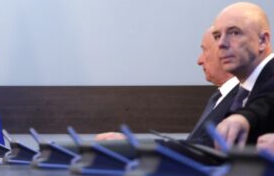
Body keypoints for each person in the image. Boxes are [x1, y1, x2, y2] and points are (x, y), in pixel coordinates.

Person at [95, 27, 239, 146]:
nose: (199, 60)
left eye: (204, 50)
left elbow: (203, 151)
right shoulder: (218, 96)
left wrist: (136, 146)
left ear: (225, 52)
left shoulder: (240, 99)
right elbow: (194, 146)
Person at [213, 2, 274, 146]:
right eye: (217, 36)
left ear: (263, 40)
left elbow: (267, 102)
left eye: (234, 33)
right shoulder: (238, 91)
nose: (221, 43)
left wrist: (245, 117)